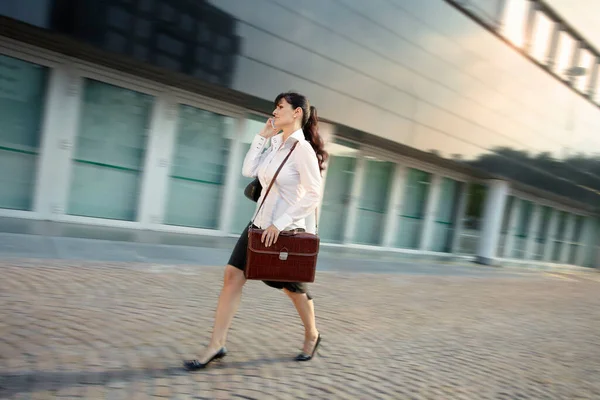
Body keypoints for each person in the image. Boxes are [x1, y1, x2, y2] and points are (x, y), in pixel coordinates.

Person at [184, 92, 329, 371]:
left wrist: (280, 223)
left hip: (284, 231)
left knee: (291, 288)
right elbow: (248, 170)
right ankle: (217, 344)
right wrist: (262, 135)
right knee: (232, 276)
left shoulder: (302, 149)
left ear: (297, 112)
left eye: (280, 107)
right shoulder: (276, 144)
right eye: (275, 107)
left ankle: (312, 334)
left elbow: (313, 194)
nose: (274, 112)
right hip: (259, 225)